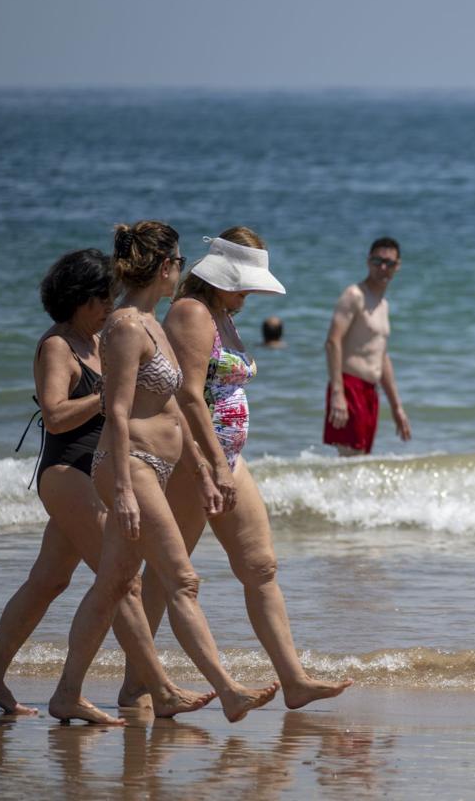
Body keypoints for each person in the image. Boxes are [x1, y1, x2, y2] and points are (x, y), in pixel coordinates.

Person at [48, 221, 279, 725]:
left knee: (114, 584)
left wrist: (200, 462)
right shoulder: (127, 326)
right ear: (167, 266)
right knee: (183, 579)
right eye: (178, 263)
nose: (182, 272)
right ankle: (227, 691)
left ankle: (68, 692)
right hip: (131, 467)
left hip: (159, 465)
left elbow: (176, 405)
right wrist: (125, 491)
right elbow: (118, 411)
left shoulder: (153, 321)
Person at [0, 249, 213, 719]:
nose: (109, 303)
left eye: (111, 295)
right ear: (78, 299)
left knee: (48, 581)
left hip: (97, 471)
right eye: (101, 296)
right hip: (65, 473)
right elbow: (56, 415)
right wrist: (106, 399)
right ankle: (157, 688)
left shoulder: (102, 339)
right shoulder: (57, 346)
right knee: (123, 583)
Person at [119, 229, 352, 710]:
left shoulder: (221, 313)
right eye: (242, 284)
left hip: (228, 461)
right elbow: (187, 395)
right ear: (218, 277)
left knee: (261, 567)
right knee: (169, 574)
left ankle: (294, 680)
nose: (248, 293)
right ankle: (139, 683)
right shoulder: (191, 313)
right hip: (193, 462)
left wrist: (226, 464)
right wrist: (210, 467)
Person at [323, 237, 411, 455]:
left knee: (360, 462)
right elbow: (333, 342)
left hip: (371, 392)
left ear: (398, 266)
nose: (383, 267)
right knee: (350, 461)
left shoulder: (383, 305)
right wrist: (338, 392)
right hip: (349, 387)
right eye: (377, 261)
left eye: (389, 263)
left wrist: (396, 407)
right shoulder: (354, 295)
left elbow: (381, 356)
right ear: (368, 262)